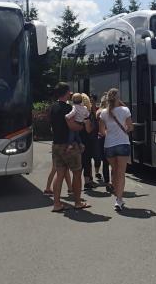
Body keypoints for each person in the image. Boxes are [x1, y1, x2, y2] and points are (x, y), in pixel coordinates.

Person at [49, 82, 92, 212]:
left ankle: (57, 204)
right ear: (66, 92)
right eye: (69, 91)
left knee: (60, 173)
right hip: (70, 146)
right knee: (77, 173)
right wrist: (81, 126)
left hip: (56, 144)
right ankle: (78, 202)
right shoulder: (68, 108)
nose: (70, 93)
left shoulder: (52, 107)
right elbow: (72, 126)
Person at [99, 88, 133, 211]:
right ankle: (119, 199)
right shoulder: (125, 110)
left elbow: (102, 132)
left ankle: (116, 194)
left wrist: (110, 131)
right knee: (121, 173)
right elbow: (130, 127)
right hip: (123, 144)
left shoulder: (103, 112)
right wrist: (123, 129)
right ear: (118, 97)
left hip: (109, 145)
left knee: (114, 170)